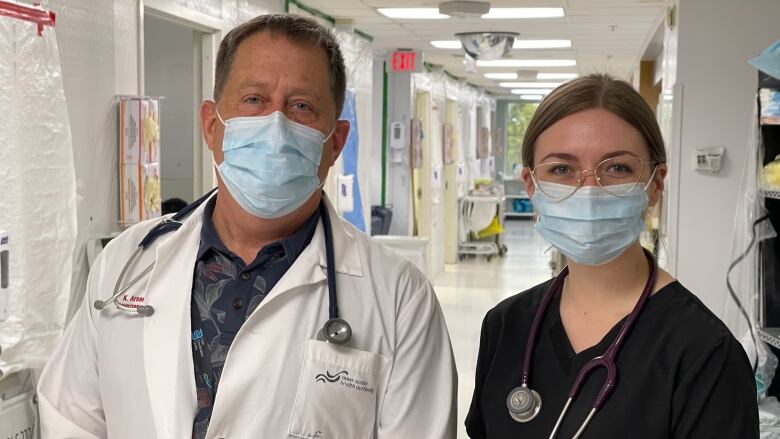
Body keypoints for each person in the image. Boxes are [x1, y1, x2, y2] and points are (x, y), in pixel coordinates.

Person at [38, 14, 456, 439]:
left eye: (302, 107)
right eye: (254, 99)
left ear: (336, 141)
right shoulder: (126, 261)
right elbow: (69, 414)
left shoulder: (399, 297)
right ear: (211, 126)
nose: (275, 125)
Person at [466, 74, 758, 438]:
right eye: (562, 169)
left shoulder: (704, 353)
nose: (589, 190)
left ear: (655, 184)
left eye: (617, 168)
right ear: (532, 184)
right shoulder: (506, 326)